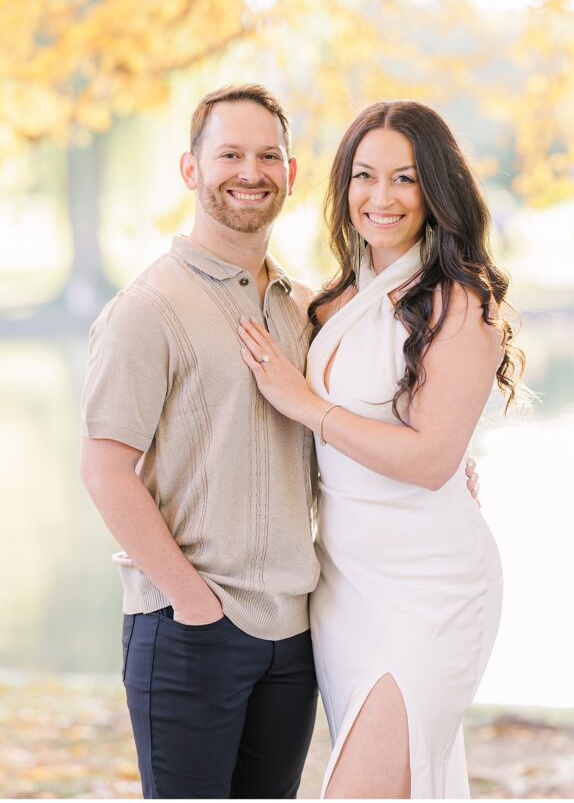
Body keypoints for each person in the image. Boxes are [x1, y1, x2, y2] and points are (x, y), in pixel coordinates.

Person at [80, 84, 481, 800]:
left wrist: (450, 459)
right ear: (190, 169)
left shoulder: (303, 309)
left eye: (268, 155)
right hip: (191, 624)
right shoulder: (148, 308)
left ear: (292, 175)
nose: (250, 171)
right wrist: (192, 601)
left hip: (294, 632)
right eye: (229, 154)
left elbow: (389, 401)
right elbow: (105, 470)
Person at [238, 100, 524, 799]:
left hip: (431, 586)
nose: (381, 196)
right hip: (346, 587)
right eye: (365, 176)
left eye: (404, 177)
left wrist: (310, 407)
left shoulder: (460, 302)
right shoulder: (329, 302)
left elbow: (428, 461)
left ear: (436, 188)